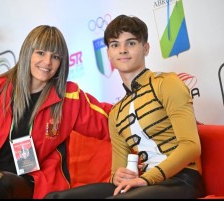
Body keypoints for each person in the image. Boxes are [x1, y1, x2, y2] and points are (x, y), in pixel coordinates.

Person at [0, 25, 112, 199]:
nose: (47, 62)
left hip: (31, 183)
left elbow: (110, 120)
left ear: (62, 62)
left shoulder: (68, 98)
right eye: (41, 53)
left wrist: (137, 107)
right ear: (28, 53)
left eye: (55, 57)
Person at [44, 14, 205, 199]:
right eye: (115, 45)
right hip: (144, 184)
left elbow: (191, 146)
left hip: (182, 180)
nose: (122, 50)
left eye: (131, 43)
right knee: (55, 198)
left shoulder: (167, 83)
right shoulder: (117, 112)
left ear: (145, 48)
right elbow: (116, 174)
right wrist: (119, 176)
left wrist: (146, 179)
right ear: (109, 54)